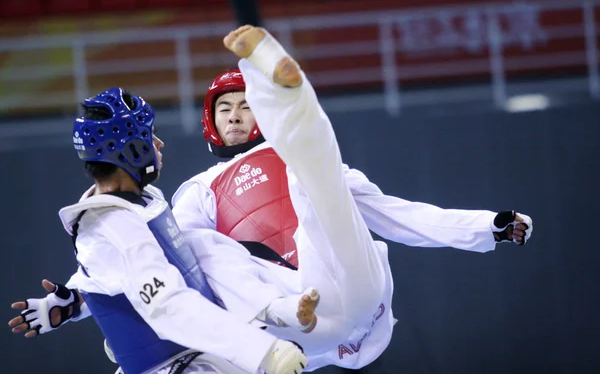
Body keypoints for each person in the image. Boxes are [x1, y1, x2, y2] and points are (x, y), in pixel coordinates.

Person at [168, 25, 534, 370]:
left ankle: (286, 92)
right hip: (286, 324)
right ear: (209, 121)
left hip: (349, 285)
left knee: (315, 180)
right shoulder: (200, 188)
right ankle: (283, 92)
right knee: (191, 243)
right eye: (224, 109)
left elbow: (393, 214)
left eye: (245, 106)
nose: (234, 117)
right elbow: (183, 273)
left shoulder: (296, 162)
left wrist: (487, 227)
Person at [8, 87, 309, 374]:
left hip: (198, 354)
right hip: (172, 364)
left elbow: (113, 271)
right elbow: (168, 305)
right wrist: (263, 351)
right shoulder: (112, 226)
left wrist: (74, 300)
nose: (160, 143)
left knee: (199, 243)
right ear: (133, 150)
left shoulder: (141, 200)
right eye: (150, 136)